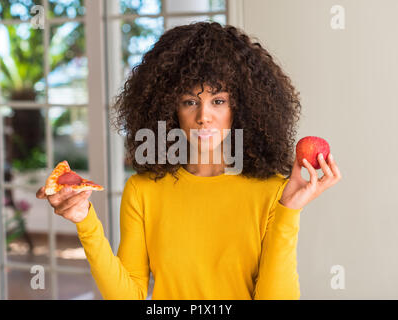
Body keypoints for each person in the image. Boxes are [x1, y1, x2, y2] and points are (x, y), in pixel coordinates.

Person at [36, 22, 341, 300]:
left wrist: (288, 211)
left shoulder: (275, 191)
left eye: (218, 101)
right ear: (170, 110)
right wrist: (84, 222)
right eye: (190, 101)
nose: (203, 116)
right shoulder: (143, 191)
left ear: (241, 108)